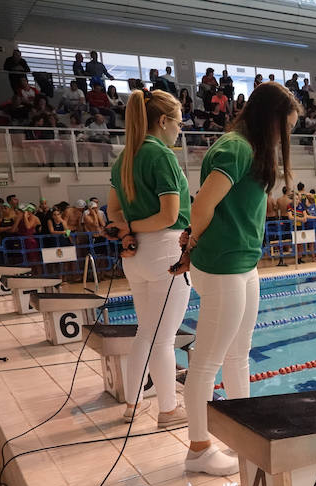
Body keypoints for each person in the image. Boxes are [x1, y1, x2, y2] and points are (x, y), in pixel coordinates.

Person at [172, 82, 303, 475]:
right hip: (224, 264)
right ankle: (198, 449)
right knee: (207, 362)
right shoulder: (236, 148)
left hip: (244, 263)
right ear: (270, 119)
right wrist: (189, 247)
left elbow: (238, 201)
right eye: (287, 127)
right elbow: (204, 203)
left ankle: (241, 433)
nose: (288, 137)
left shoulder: (252, 150)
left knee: (237, 355)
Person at [106, 88, 192, 427]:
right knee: (164, 338)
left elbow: (112, 211)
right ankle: (168, 411)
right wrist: (135, 228)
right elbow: (170, 215)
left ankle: (131, 404)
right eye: (179, 123)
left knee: (145, 331)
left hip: (134, 254)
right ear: (162, 120)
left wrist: (128, 231)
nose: (180, 130)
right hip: (165, 252)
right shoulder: (161, 156)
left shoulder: (124, 158)